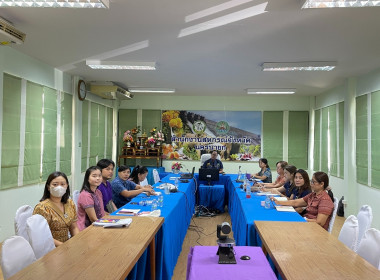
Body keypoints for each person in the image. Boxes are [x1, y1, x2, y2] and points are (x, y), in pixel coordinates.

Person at [33, 171, 79, 246]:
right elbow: (42, 236)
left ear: (67, 186)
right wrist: (63, 246)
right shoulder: (42, 208)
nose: (59, 187)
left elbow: (74, 227)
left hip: (67, 244)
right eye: (55, 184)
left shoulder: (70, 203)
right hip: (51, 248)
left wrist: (78, 241)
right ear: (48, 187)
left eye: (62, 184)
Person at [77, 166, 106, 231]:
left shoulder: (98, 192)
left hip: (99, 225)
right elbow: (93, 219)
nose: (98, 178)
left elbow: (102, 212)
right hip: (86, 229)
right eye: (94, 176)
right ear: (87, 178)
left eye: (100, 176)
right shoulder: (86, 195)